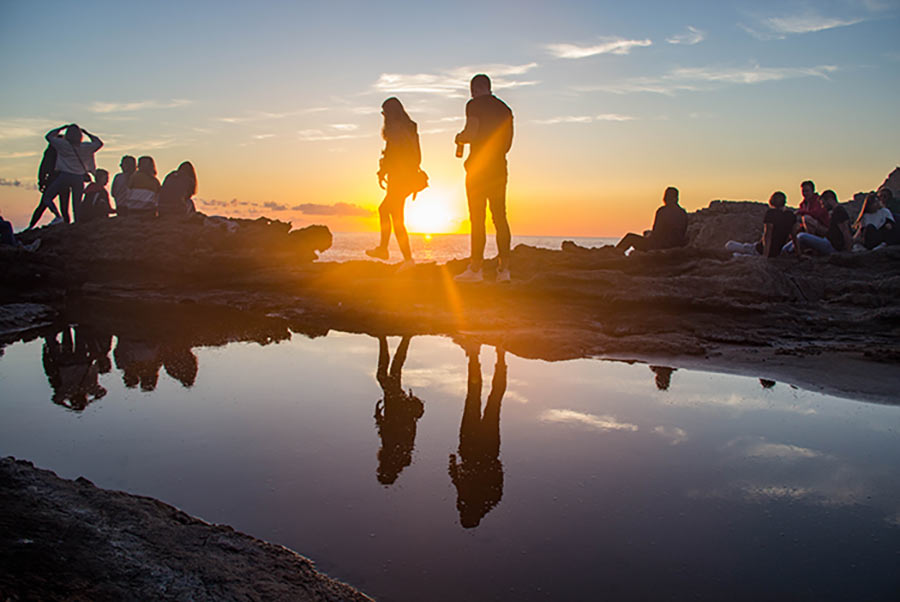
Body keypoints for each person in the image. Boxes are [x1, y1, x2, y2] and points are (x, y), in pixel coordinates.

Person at [454, 74, 514, 283]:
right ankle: (504, 271)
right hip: (499, 167)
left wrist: (460, 138)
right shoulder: (506, 109)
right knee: (500, 217)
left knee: (477, 219)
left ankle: (476, 269)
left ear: (475, 89)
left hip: (479, 169)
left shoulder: (474, 105)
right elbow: (507, 144)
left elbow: (471, 133)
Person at [448, 343, 506, 528]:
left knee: (493, 400)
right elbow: (456, 478)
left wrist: (491, 463)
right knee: (475, 397)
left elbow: (498, 475)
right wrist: (453, 462)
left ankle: (499, 357)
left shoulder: (490, 499)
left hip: (486, 449)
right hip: (472, 447)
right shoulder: (484, 499)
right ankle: (479, 356)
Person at [365, 98, 421, 271]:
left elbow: (392, 154)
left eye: (384, 113)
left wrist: (383, 171)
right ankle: (407, 260)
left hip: (399, 178)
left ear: (390, 113)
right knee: (397, 218)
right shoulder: (411, 127)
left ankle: (385, 250)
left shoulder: (395, 129)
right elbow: (417, 156)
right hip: (406, 178)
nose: (383, 116)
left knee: (385, 210)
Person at [28, 124, 103, 229]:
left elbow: (49, 136)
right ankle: (77, 225)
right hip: (79, 178)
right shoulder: (85, 147)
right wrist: (86, 133)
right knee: (76, 205)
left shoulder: (62, 145)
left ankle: (57, 217)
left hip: (64, 176)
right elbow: (99, 143)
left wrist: (61, 128)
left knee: (47, 198)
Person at [372, 335, 424, 485]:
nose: (379, 468)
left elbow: (386, 432)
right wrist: (380, 417)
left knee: (392, 372)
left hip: (395, 407)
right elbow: (392, 431)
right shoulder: (397, 455)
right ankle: (386, 338)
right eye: (381, 471)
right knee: (384, 375)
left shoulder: (398, 456)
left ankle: (399, 339)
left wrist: (379, 416)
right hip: (397, 408)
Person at [725, 191, 799, 258]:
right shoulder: (791, 216)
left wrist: (765, 255)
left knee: (730, 245)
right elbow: (794, 236)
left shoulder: (771, 214)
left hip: (760, 249)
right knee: (743, 251)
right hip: (776, 252)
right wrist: (799, 254)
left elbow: (768, 235)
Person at [616, 187, 688, 253]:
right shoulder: (683, 213)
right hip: (675, 244)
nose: (664, 199)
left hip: (659, 245)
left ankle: (614, 254)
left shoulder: (662, 211)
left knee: (630, 237)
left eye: (666, 196)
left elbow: (657, 232)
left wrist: (649, 236)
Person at [795, 189, 852, 255]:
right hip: (829, 242)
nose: (823, 206)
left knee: (802, 236)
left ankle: (786, 251)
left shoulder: (839, 212)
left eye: (823, 203)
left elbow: (845, 231)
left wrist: (848, 252)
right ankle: (785, 249)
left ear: (830, 200)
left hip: (833, 247)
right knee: (799, 236)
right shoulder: (835, 212)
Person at [35, 135, 69, 225]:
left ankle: (62, 220)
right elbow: (44, 166)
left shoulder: (54, 151)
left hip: (55, 179)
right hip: (60, 179)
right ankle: (64, 222)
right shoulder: (63, 151)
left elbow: (43, 166)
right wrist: (41, 180)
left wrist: (41, 181)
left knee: (44, 204)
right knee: (62, 206)